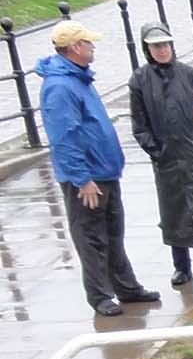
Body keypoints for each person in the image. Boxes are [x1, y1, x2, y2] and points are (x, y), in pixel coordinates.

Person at [35, 22, 161, 320]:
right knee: (91, 237)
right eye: (88, 43)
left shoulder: (78, 79)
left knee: (113, 233)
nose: (93, 47)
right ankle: (100, 295)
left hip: (104, 171)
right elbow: (64, 137)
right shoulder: (59, 87)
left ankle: (126, 287)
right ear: (75, 47)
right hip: (87, 178)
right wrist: (82, 179)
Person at [128, 23, 193, 289]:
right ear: (147, 48)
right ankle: (181, 266)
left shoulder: (189, 75)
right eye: (156, 46)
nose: (162, 50)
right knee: (173, 212)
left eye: (165, 44)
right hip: (166, 160)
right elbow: (139, 125)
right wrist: (156, 151)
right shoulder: (139, 80)